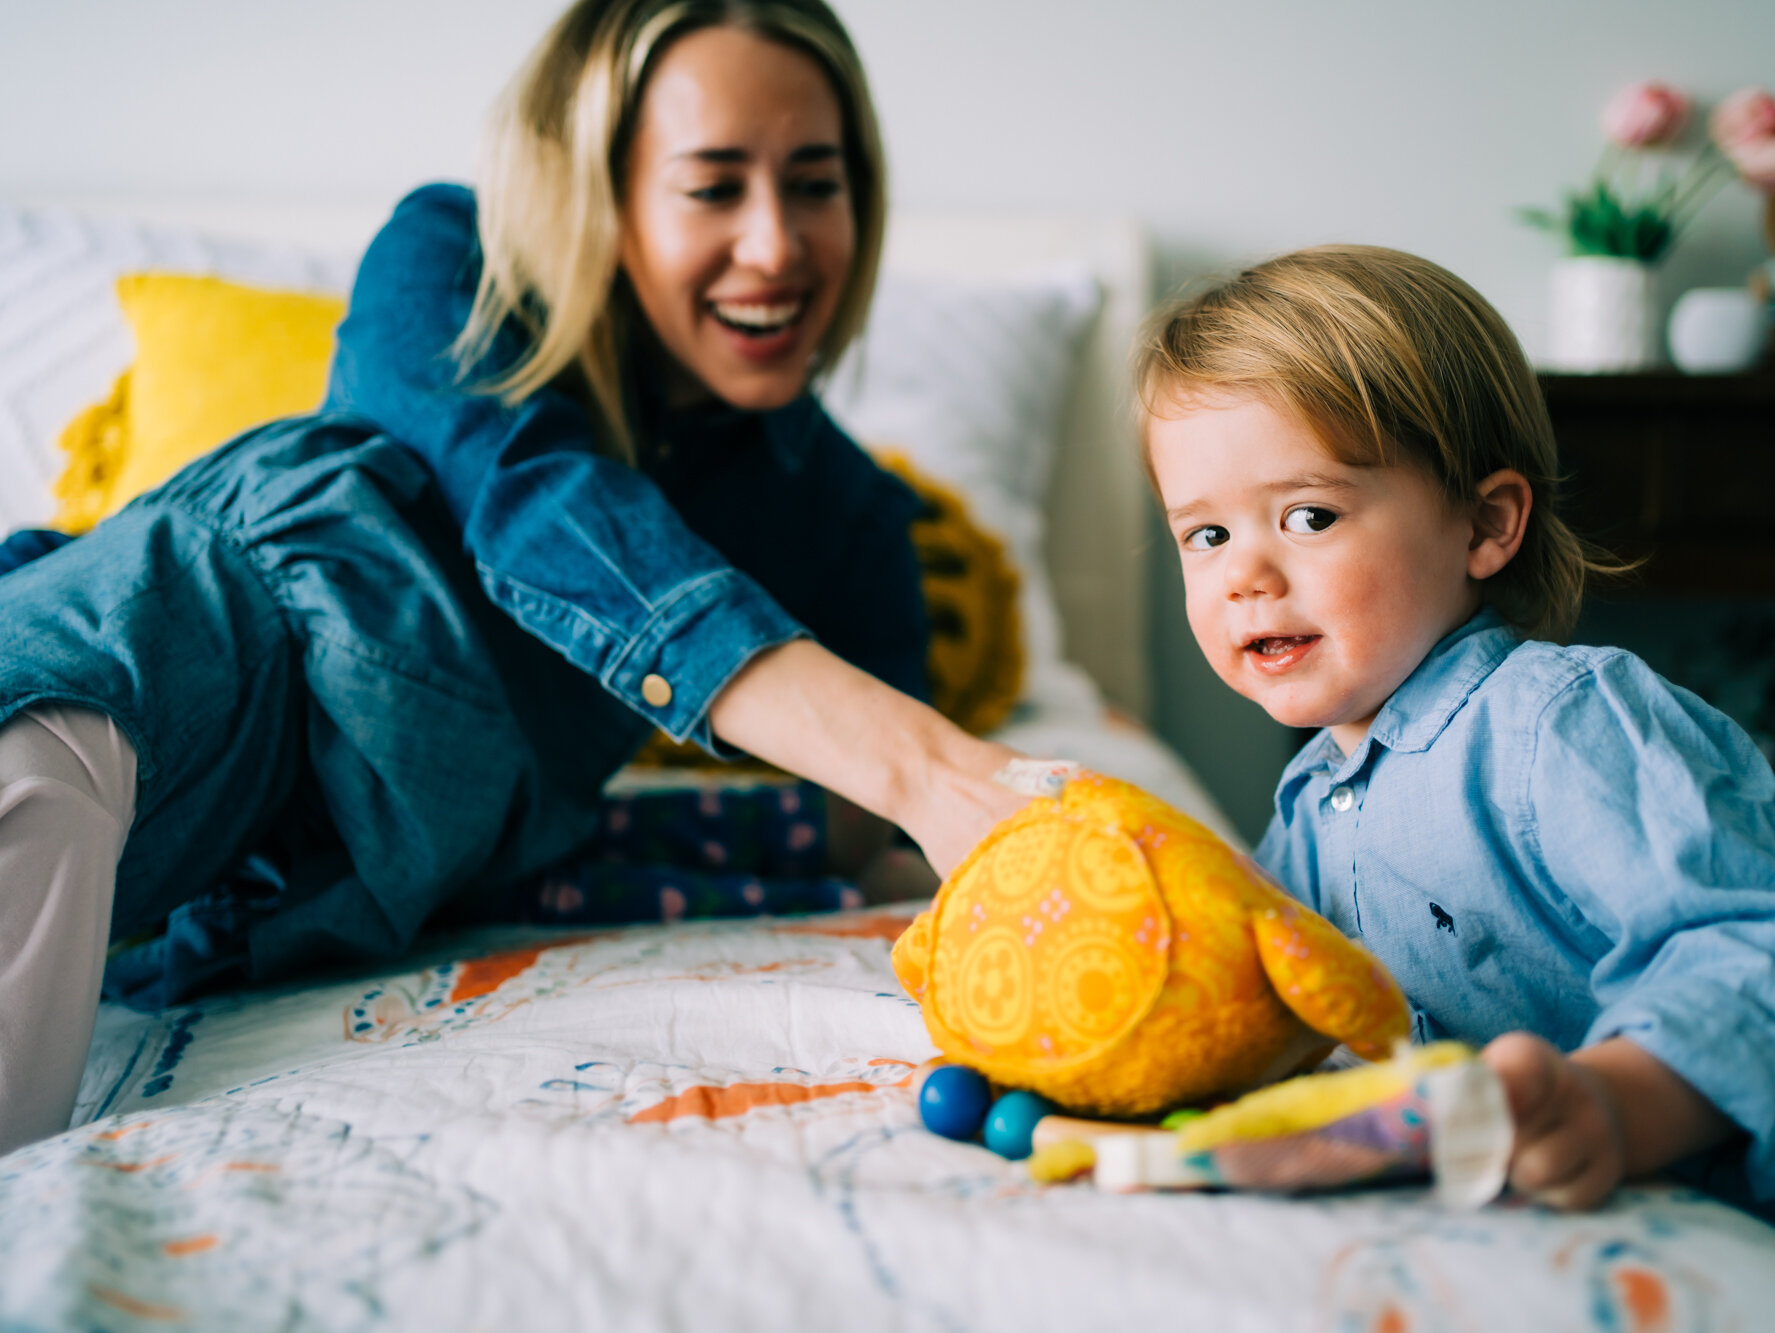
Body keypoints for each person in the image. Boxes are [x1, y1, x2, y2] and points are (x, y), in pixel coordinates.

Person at [0, 0, 1025, 1156]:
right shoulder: (454, 263)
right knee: (49, 745)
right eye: (712, 185)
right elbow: (537, 505)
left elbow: (862, 838)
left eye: (815, 182)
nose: (777, 245)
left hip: (344, 873)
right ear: (605, 194)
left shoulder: (846, 515)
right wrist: (939, 772)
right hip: (174, 657)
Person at [1137, 245, 1775, 1331]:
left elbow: (1759, 960)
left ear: (1486, 524)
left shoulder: (1563, 723)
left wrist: (1615, 1103)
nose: (1243, 574)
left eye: (1307, 515)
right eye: (1203, 533)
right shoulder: (1305, 806)